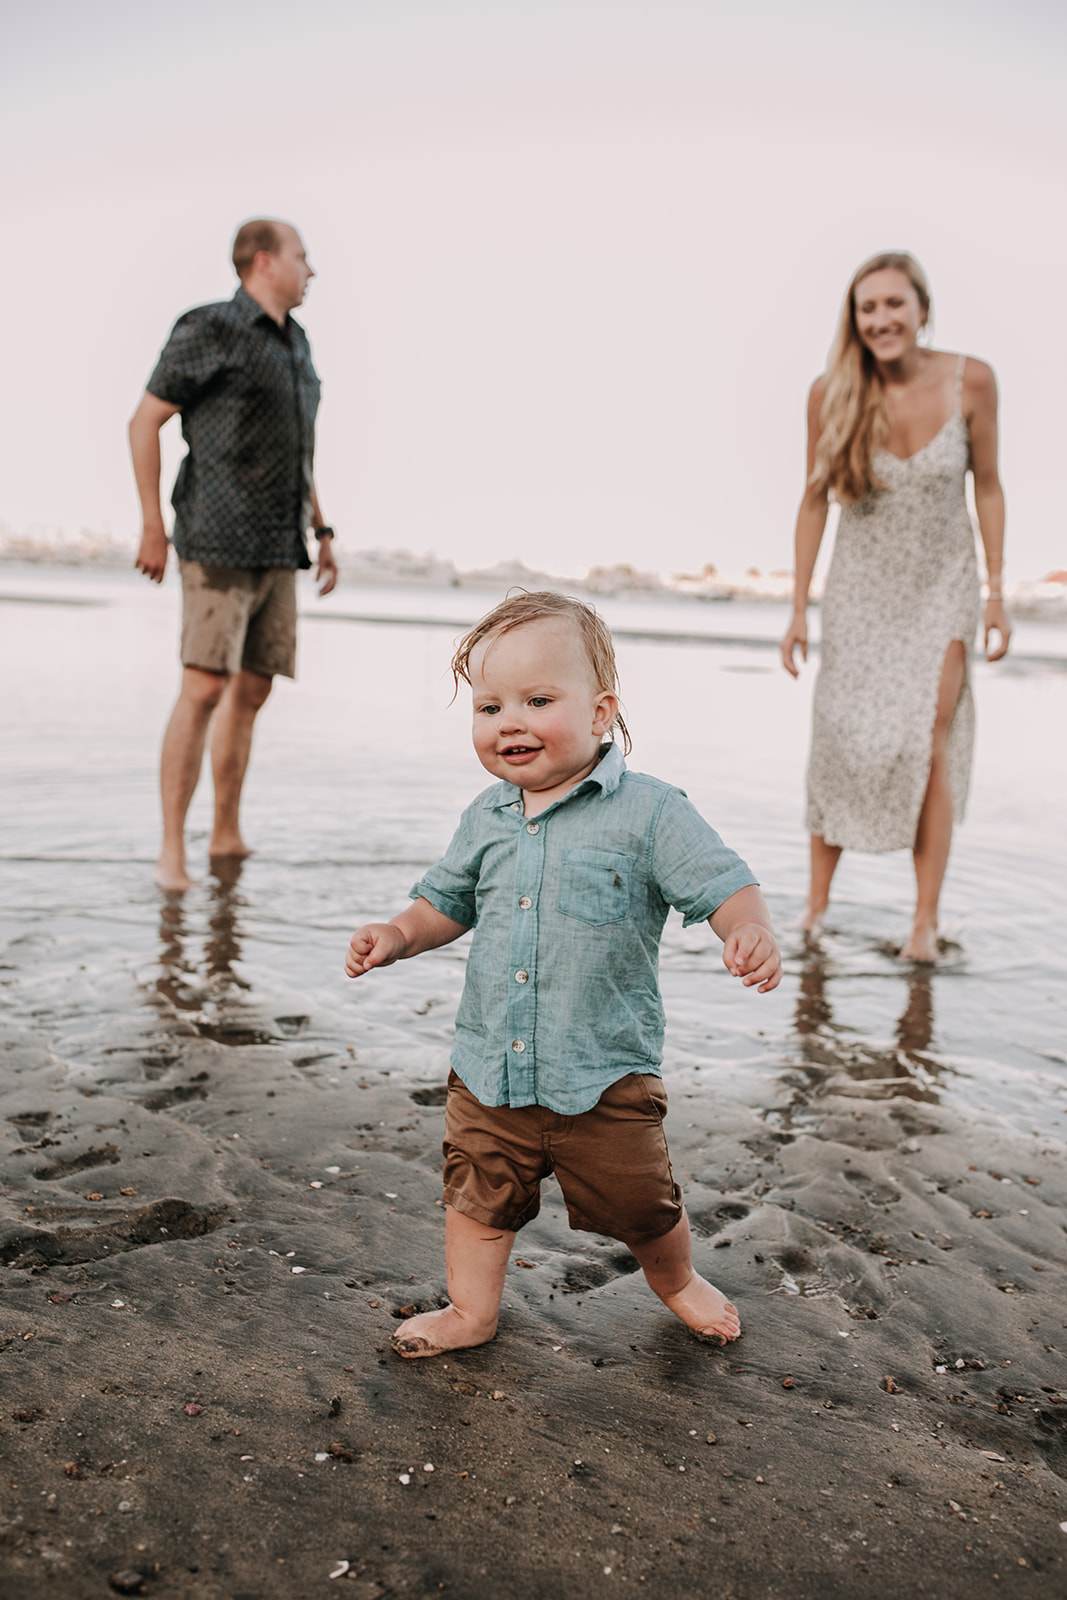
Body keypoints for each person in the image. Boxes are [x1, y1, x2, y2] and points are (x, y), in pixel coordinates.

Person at [345, 591, 782, 1358]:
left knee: (642, 1204)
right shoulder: (486, 816)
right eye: (488, 706)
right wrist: (398, 934)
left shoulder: (650, 813)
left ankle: (675, 1281)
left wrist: (747, 930)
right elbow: (443, 902)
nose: (508, 721)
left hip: (601, 1074)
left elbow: (722, 883)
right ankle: (471, 1312)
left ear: (600, 711)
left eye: (537, 699)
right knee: (475, 1198)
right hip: (489, 1070)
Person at [780, 251, 1010, 962]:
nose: (880, 319)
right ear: (854, 319)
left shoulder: (971, 379)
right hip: (859, 590)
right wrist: (796, 607)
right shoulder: (832, 392)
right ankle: (815, 913)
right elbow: (813, 499)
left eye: (892, 304)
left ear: (921, 308)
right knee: (840, 738)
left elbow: (990, 487)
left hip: (941, 586)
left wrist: (995, 594)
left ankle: (922, 925)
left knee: (927, 741)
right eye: (866, 307)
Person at [130, 218, 338, 892]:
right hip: (215, 535)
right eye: (303, 258)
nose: (312, 270)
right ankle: (172, 851)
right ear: (263, 260)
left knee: (252, 690)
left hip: (281, 543)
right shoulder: (209, 326)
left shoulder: (297, 343)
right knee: (204, 688)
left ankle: (225, 831)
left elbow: (296, 447)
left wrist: (322, 528)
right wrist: (152, 527)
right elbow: (144, 422)